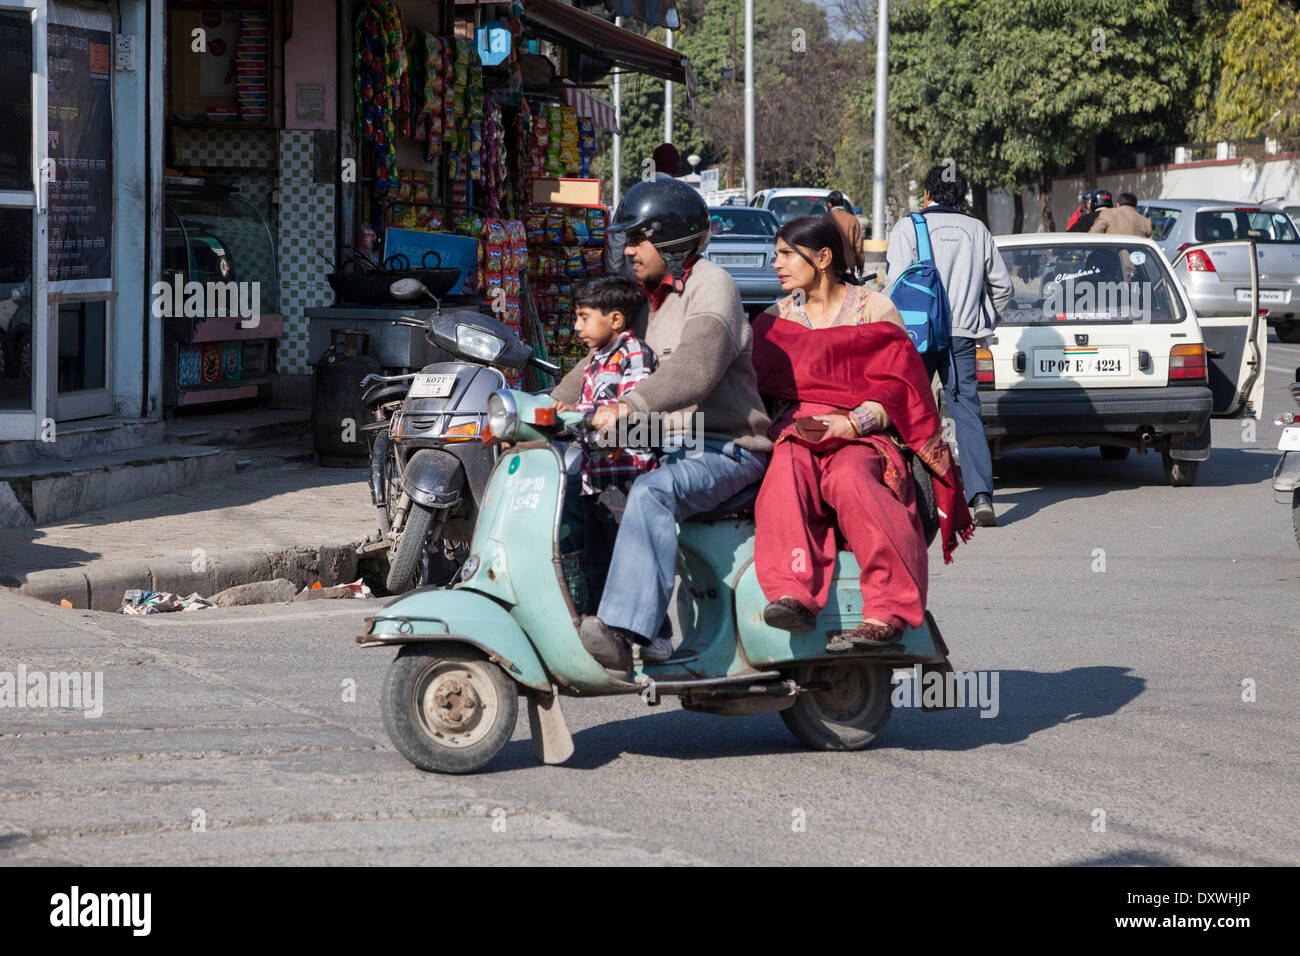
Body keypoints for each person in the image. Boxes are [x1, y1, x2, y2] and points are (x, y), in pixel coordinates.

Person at [550, 179, 773, 678]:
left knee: (651, 491)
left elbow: (695, 367)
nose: (627, 251)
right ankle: (591, 612)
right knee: (572, 478)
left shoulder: (712, 286)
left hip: (725, 444)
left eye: (637, 240)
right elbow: (590, 367)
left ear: (671, 240)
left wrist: (630, 405)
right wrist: (540, 410)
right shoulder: (641, 301)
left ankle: (635, 632)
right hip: (664, 440)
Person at [753, 215, 973, 649]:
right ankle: (793, 593)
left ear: (823, 258)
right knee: (785, 468)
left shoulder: (873, 308)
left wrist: (850, 423)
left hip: (862, 434)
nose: (774, 263)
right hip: (798, 432)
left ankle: (888, 609)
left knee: (850, 478)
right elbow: (756, 391)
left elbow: (902, 391)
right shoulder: (774, 320)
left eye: (784, 254)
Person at [885, 163, 1012, 527]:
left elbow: (894, 287)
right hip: (962, 338)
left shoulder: (909, 227)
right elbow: (1002, 288)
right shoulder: (978, 230)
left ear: (927, 194)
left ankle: (902, 490)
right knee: (967, 412)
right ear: (963, 196)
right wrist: (982, 320)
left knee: (907, 408)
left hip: (918, 338)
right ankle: (982, 496)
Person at [559, 275, 659, 604]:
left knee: (627, 560)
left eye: (583, 317)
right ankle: (604, 628)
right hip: (595, 479)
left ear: (615, 319)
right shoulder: (596, 360)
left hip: (625, 480)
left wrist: (579, 412)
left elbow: (629, 410)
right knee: (597, 561)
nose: (576, 326)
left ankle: (646, 632)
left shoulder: (635, 353)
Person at [825, 190, 865, 276]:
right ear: (843, 203)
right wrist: (860, 267)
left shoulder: (825, 220)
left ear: (829, 204)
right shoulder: (852, 220)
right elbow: (858, 247)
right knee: (849, 290)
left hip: (830, 266)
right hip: (848, 267)